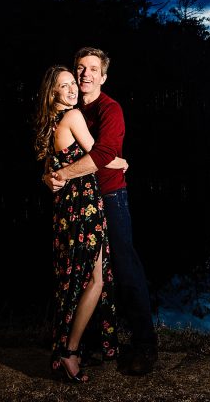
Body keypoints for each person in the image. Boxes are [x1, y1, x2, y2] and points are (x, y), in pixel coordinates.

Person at [43, 47, 158, 376]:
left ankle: (145, 345)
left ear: (103, 77)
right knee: (90, 274)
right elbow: (54, 153)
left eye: (93, 68)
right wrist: (50, 175)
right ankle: (93, 343)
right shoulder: (72, 110)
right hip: (81, 200)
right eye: (81, 67)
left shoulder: (111, 109)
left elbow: (104, 151)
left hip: (110, 195)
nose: (85, 74)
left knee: (124, 267)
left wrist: (64, 174)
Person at [33, 65, 126, 382]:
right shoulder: (72, 118)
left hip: (66, 211)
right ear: (53, 93)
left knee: (74, 279)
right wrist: (122, 161)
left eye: (74, 82)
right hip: (83, 206)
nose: (73, 88)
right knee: (94, 279)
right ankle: (69, 353)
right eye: (64, 85)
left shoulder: (50, 126)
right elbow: (101, 154)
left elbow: (51, 171)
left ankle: (69, 348)